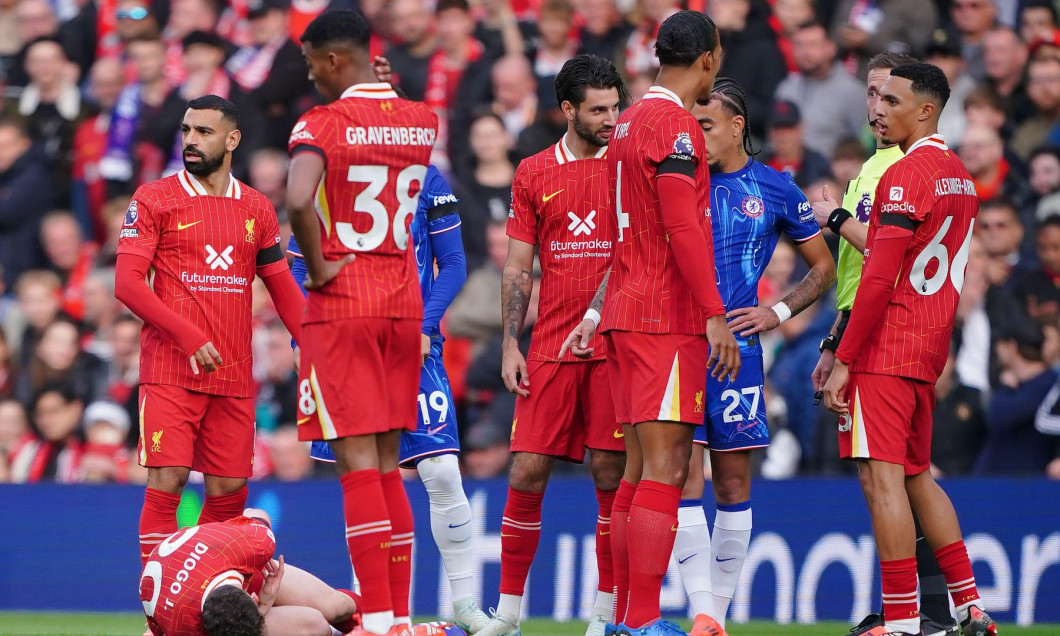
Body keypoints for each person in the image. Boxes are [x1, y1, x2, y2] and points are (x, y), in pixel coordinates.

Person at [289, 53, 486, 629]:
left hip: (398, 330)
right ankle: (382, 611)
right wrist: (305, 331)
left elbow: (452, 264)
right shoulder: (389, 145)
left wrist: (428, 326)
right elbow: (299, 267)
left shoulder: (415, 169)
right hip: (375, 326)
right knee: (374, 471)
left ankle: (459, 608)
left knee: (429, 470)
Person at [563, 11, 740, 636]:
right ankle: (639, 622)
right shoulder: (676, 127)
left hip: (624, 313)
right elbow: (682, 226)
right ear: (710, 59)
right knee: (665, 473)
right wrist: (715, 314)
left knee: (637, 475)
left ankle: (623, 621)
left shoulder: (631, 118)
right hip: (664, 316)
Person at [820, 62, 997, 636]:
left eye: (891, 101)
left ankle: (899, 621)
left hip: (885, 347)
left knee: (884, 480)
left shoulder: (904, 175)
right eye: (876, 100)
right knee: (918, 476)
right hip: (927, 348)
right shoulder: (961, 178)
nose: (878, 110)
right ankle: (971, 606)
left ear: (925, 110)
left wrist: (845, 357)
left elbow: (877, 275)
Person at [284, 10, 437, 636]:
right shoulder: (421, 119)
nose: (311, 75)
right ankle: (398, 618)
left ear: (335, 60)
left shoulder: (321, 123)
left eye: (313, 63)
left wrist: (317, 269)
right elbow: (389, 121)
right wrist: (387, 92)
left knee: (357, 469)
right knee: (388, 463)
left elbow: (296, 199)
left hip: (345, 302)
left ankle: (374, 622)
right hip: (403, 304)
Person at [114, 95, 306, 570]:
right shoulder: (155, 198)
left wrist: (318, 348)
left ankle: (216, 607)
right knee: (168, 482)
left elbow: (283, 289)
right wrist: (188, 336)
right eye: (186, 131)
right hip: (171, 369)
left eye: (204, 132)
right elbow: (126, 284)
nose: (191, 141)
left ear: (232, 139)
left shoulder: (258, 209)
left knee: (228, 496)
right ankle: (157, 612)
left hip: (235, 376)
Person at [672, 77, 834, 631]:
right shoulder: (678, 183)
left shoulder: (775, 188)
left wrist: (778, 313)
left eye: (707, 126)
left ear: (738, 126)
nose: (697, 138)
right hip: (679, 343)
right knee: (683, 478)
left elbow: (823, 267)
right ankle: (700, 613)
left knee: (733, 484)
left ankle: (715, 615)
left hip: (738, 352)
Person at [473, 54, 627, 636]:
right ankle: (508, 616)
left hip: (615, 343)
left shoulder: (629, 164)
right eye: (598, 110)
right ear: (568, 110)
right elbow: (518, 267)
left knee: (609, 476)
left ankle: (604, 617)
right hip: (552, 346)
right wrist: (512, 343)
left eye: (616, 107)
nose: (611, 118)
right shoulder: (535, 172)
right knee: (526, 473)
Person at [138, 509, 361, 636]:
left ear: (250, 596)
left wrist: (264, 603)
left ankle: (383, 623)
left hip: (236, 565)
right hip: (187, 597)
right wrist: (263, 609)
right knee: (315, 626)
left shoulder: (254, 543)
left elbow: (255, 513)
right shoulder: (180, 623)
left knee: (338, 606)